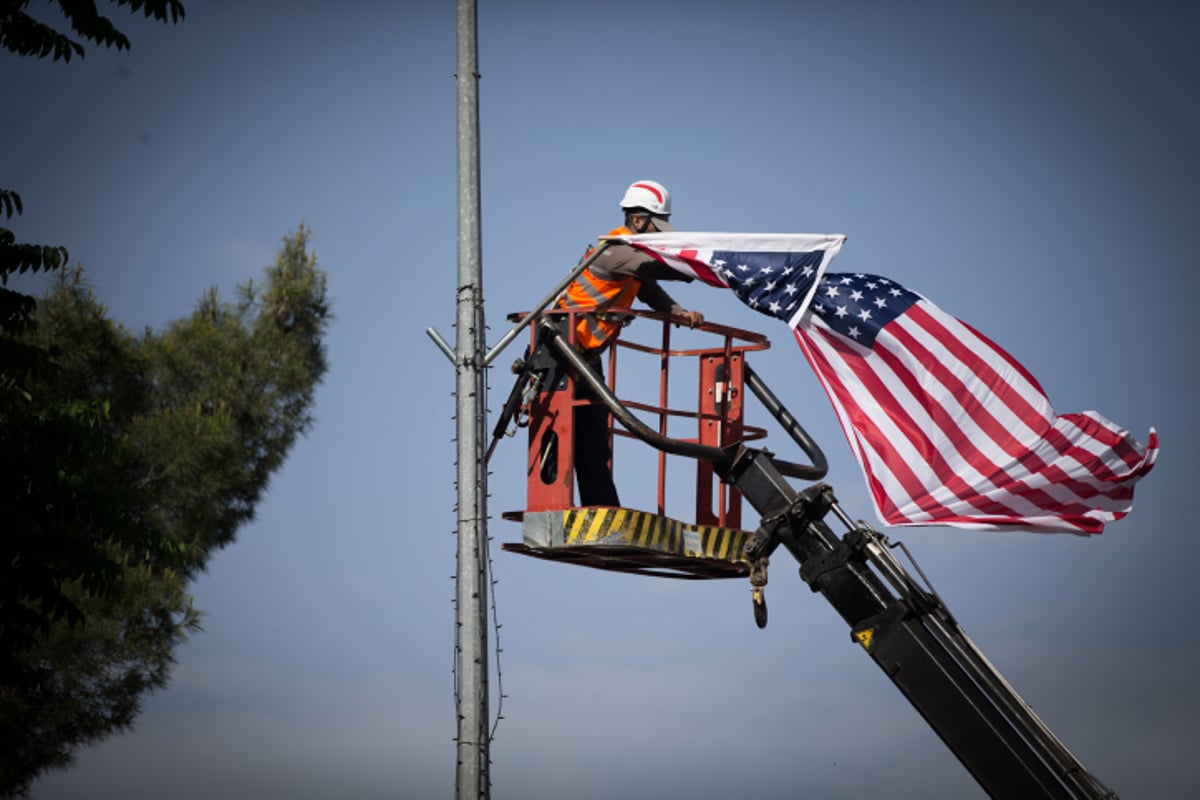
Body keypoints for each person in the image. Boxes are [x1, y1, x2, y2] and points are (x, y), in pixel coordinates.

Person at [554, 179, 705, 507]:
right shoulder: (616, 250)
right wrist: (701, 262)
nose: (659, 237)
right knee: (556, 437)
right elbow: (656, 269)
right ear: (637, 220)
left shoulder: (630, 257)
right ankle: (555, 502)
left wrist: (678, 312)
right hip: (556, 353)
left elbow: (648, 288)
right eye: (655, 227)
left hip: (583, 357)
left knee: (594, 438)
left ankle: (602, 508)